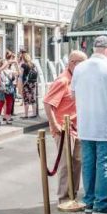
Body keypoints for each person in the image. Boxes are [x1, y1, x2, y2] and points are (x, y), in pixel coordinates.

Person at [71, 36, 107, 214]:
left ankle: (89, 201)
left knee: (88, 164)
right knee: (104, 164)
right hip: (105, 125)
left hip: (85, 125)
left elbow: (72, 94)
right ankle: (101, 204)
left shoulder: (79, 68)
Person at [43, 50, 87, 203]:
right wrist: (55, 125)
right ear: (73, 63)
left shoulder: (76, 78)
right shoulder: (63, 80)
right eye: (83, 63)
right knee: (65, 164)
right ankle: (64, 197)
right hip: (64, 128)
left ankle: (72, 194)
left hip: (76, 127)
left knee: (76, 162)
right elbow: (48, 103)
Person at [19, 53, 39, 118]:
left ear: (23, 58)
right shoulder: (33, 64)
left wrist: (21, 84)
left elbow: (21, 75)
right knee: (33, 98)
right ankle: (34, 114)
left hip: (26, 84)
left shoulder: (23, 65)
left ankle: (26, 115)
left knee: (26, 99)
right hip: (33, 83)